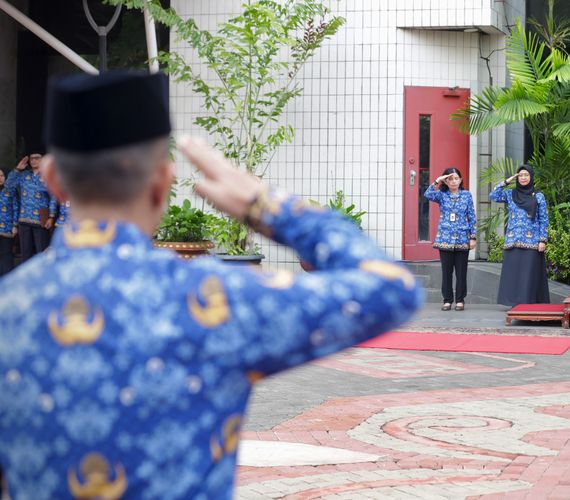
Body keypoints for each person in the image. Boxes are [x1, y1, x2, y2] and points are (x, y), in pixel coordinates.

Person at [0, 71, 422, 499]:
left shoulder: (8, 307)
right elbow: (391, 289)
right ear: (162, 182)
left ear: (52, 179)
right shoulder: (213, 300)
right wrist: (267, 206)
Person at [490, 165, 550, 306]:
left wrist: (542, 240)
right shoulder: (511, 194)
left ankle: (528, 301)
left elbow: (544, 219)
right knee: (514, 273)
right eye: (520, 175)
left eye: (526, 175)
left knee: (528, 274)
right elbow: (493, 195)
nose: (523, 178)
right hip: (513, 239)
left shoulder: (538, 196)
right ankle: (513, 302)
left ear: (531, 177)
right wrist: (507, 182)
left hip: (532, 241)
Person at [424, 167, 476, 311]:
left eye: (456, 178)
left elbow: (472, 216)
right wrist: (438, 180)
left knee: (461, 272)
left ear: (461, 180)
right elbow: (427, 194)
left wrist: (473, 237)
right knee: (446, 272)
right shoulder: (441, 195)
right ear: (446, 181)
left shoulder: (466, 195)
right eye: (450, 179)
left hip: (462, 238)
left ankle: (460, 300)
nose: (453, 181)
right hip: (445, 238)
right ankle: (447, 300)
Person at [7, 147, 57, 261]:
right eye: (31, 158)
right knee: (25, 254)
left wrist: (51, 216)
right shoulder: (23, 175)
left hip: (41, 219)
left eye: (37, 158)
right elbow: (9, 186)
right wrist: (17, 169)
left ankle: (42, 278)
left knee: (42, 253)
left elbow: (53, 197)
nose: (33, 160)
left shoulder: (48, 175)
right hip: (24, 219)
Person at [0, 168, 17, 275]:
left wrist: (15, 225)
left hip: (7, 228)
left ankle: (6, 282)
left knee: (6, 255)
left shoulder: (10, 190)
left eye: (1, 176)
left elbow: (15, 208)